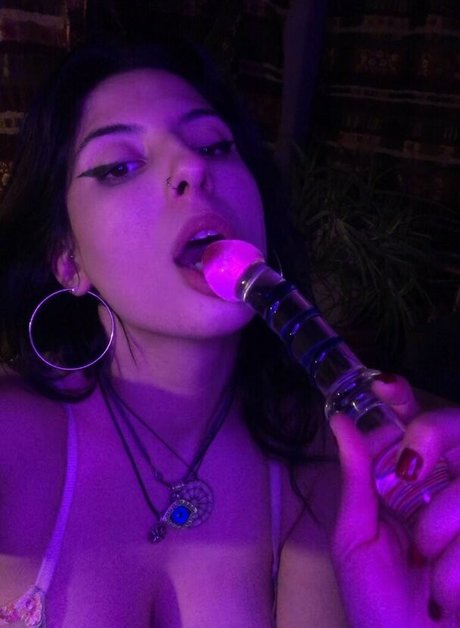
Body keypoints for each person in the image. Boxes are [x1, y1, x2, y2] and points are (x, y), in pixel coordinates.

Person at [0, 38, 459, 627]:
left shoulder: (330, 469)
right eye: (119, 166)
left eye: (215, 145)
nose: (194, 168)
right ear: (68, 261)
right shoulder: (11, 433)